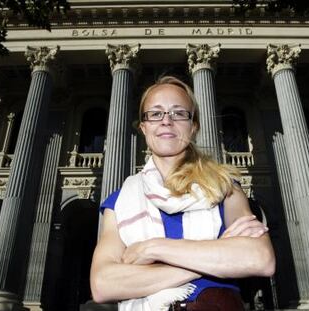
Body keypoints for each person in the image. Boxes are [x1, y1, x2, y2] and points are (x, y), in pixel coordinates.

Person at [90, 76, 275, 311]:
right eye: (155, 114)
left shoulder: (224, 186)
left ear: (194, 126)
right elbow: (103, 285)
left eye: (179, 113)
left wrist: (153, 248)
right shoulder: (119, 203)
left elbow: (260, 259)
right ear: (143, 127)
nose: (166, 121)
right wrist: (216, 255)